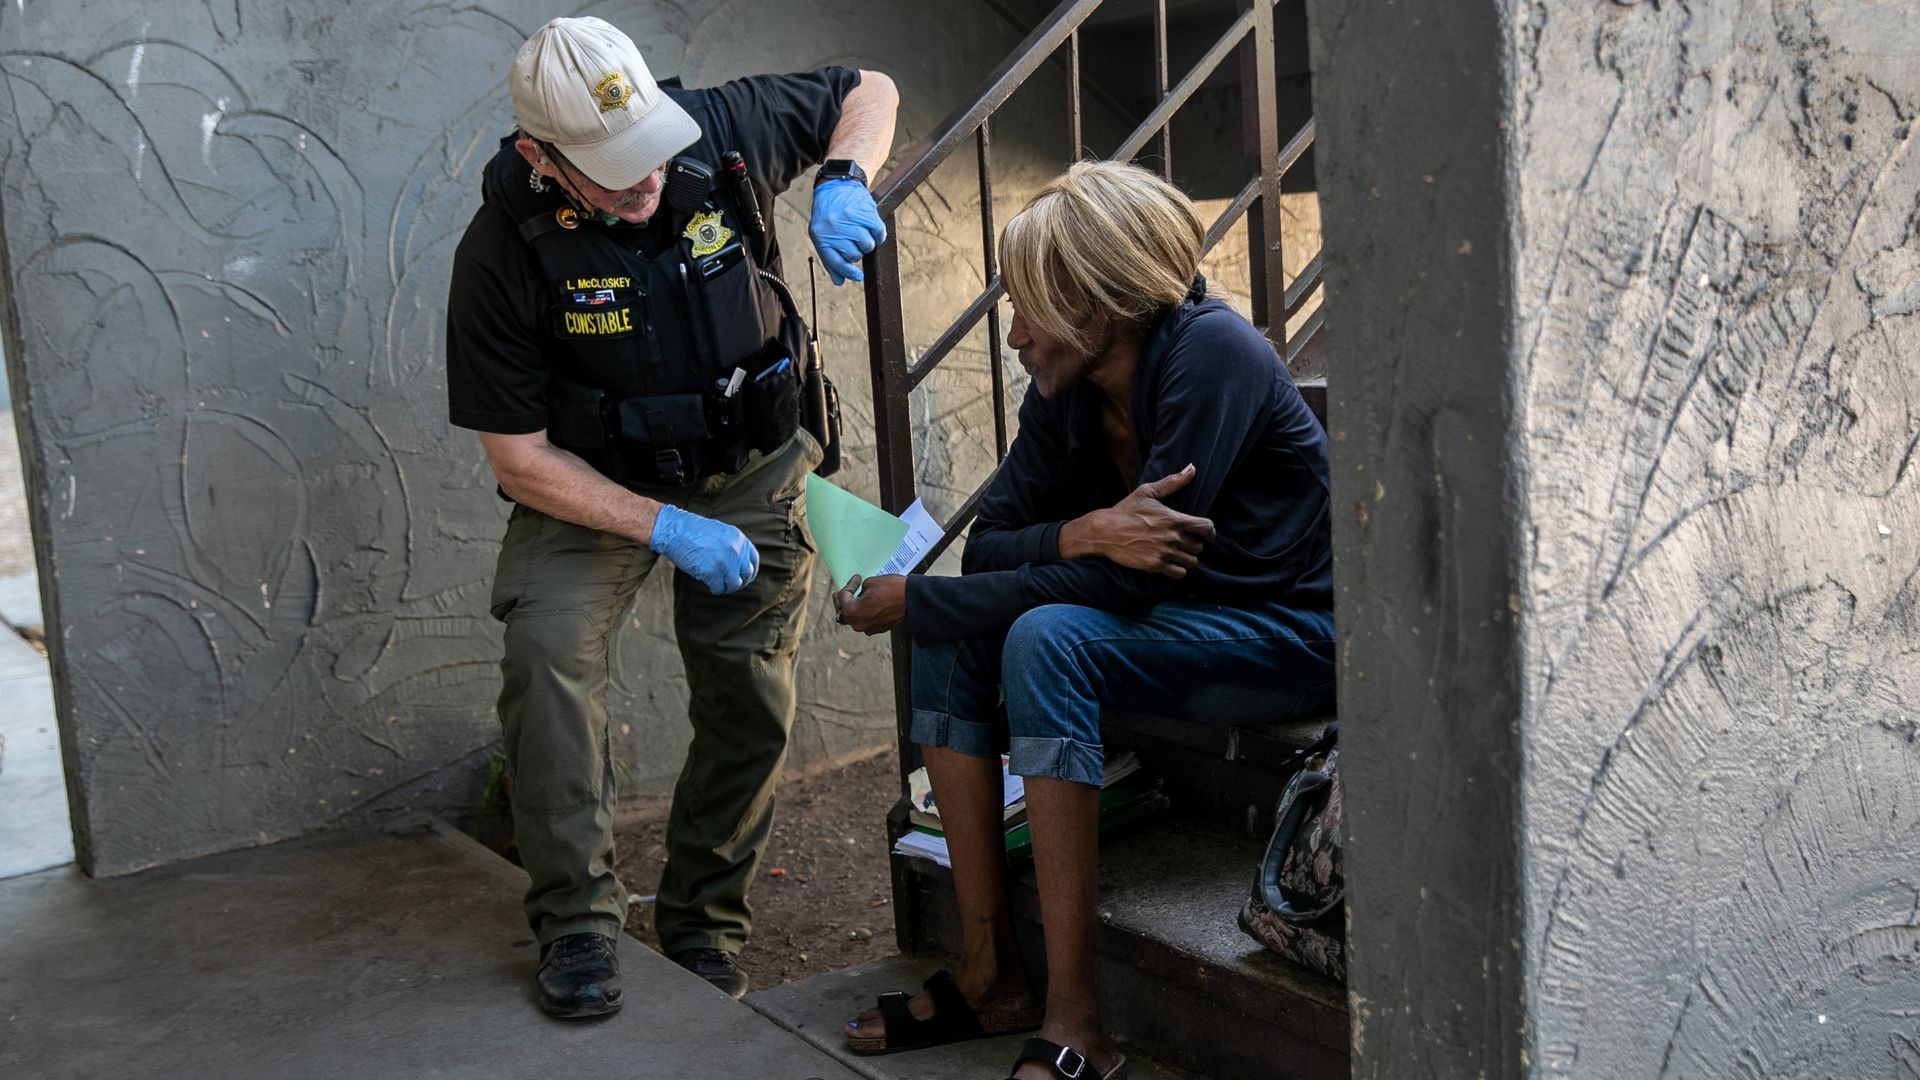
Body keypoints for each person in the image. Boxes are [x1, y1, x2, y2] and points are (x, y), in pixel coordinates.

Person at [833, 160, 1334, 1080]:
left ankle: (1078, 1022)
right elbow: (993, 549)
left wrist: (942, 591)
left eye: (1028, 309)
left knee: (1040, 635)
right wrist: (1086, 533)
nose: (1016, 334)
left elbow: (1133, 592)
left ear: (1098, 303)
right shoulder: (1066, 394)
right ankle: (991, 973)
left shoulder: (1212, 356)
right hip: (1181, 620)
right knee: (964, 625)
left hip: (1286, 631)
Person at [444, 16, 897, 1017]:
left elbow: (868, 87)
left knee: (749, 700)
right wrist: (661, 527)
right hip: (592, 491)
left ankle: (703, 928)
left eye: (649, 145)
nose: (645, 178)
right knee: (547, 653)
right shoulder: (499, 252)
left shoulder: (719, 127)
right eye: (612, 168)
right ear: (540, 158)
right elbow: (518, 460)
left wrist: (844, 178)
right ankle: (576, 925)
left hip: (753, 460)